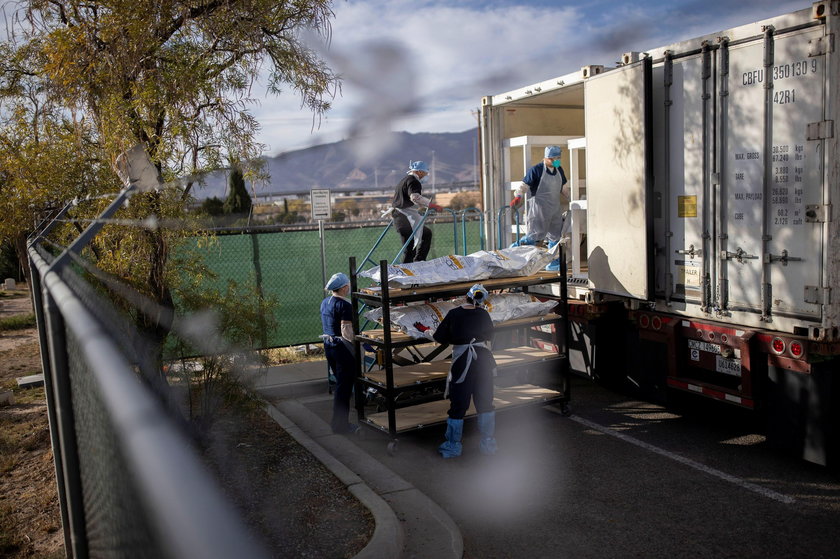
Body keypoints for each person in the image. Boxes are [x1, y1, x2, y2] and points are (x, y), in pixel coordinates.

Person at [433, 284, 497, 458]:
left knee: (459, 403)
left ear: (465, 296)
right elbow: (490, 335)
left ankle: (453, 446)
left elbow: (439, 337)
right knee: (485, 401)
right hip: (483, 361)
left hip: (463, 363)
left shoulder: (454, 314)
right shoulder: (484, 314)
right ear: (482, 300)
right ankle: (488, 444)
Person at [509, 145, 571, 271]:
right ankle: (516, 253)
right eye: (554, 158)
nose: (557, 161)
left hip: (554, 209)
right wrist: (518, 197)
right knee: (535, 236)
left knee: (556, 236)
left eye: (558, 158)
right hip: (539, 210)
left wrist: (573, 199)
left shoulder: (559, 170)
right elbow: (523, 186)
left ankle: (553, 262)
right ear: (546, 158)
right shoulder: (536, 170)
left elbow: (563, 188)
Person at [320, 272, 358, 434]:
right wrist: (360, 341)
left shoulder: (325, 302)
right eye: (348, 285)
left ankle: (340, 423)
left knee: (339, 385)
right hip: (342, 348)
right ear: (344, 288)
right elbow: (346, 331)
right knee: (344, 388)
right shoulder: (344, 306)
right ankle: (340, 425)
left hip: (329, 345)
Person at [391, 160, 444, 263]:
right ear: (419, 172)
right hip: (404, 218)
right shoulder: (413, 181)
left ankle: (418, 261)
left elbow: (406, 198)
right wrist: (432, 205)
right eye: (425, 173)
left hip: (400, 216)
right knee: (410, 250)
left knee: (426, 234)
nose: (425, 175)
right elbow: (415, 197)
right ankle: (409, 271)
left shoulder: (404, 180)